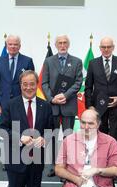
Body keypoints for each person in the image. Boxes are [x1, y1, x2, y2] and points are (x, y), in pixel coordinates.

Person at [0, 71, 53, 187]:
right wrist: (19, 138)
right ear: (20, 85)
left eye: (31, 84)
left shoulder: (45, 106)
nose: (28, 87)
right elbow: (2, 129)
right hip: (15, 161)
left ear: (36, 84)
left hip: (36, 160)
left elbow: (51, 129)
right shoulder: (11, 105)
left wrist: (44, 139)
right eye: (25, 84)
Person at [42, 35, 83, 177]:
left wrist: (65, 96)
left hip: (68, 104)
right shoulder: (48, 61)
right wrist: (52, 99)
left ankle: (68, 165)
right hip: (52, 106)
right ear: (55, 45)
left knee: (68, 137)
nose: (62, 45)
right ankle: (54, 165)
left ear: (69, 44)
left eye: (65, 42)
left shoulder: (77, 62)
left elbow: (78, 82)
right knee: (52, 137)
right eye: (60, 43)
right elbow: (44, 83)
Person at [85, 37, 117, 150]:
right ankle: (100, 158)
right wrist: (89, 106)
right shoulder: (93, 63)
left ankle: (115, 160)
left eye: (108, 47)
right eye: (103, 47)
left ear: (113, 47)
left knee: (115, 134)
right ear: (100, 48)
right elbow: (88, 87)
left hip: (116, 105)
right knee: (100, 134)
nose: (106, 49)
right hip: (98, 107)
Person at [0, 35, 35, 117]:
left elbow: (32, 85)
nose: (13, 46)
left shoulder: (28, 61)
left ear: (20, 46)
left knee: (16, 127)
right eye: (10, 44)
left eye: (15, 44)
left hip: (21, 103)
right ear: (6, 45)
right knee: (3, 129)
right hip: (3, 104)